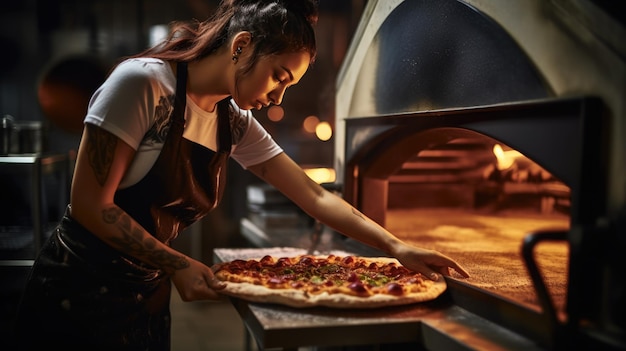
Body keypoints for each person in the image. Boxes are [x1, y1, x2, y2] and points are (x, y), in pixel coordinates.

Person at [14, 0, 469, 349]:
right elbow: (91, 205)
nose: (277, 98)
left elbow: (313, 195)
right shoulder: (144, 85)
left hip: (146, 298)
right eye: (279, 76)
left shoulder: (231, 120)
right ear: (241, 45)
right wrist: (177, 263)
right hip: (75, 293)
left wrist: (395, 247)